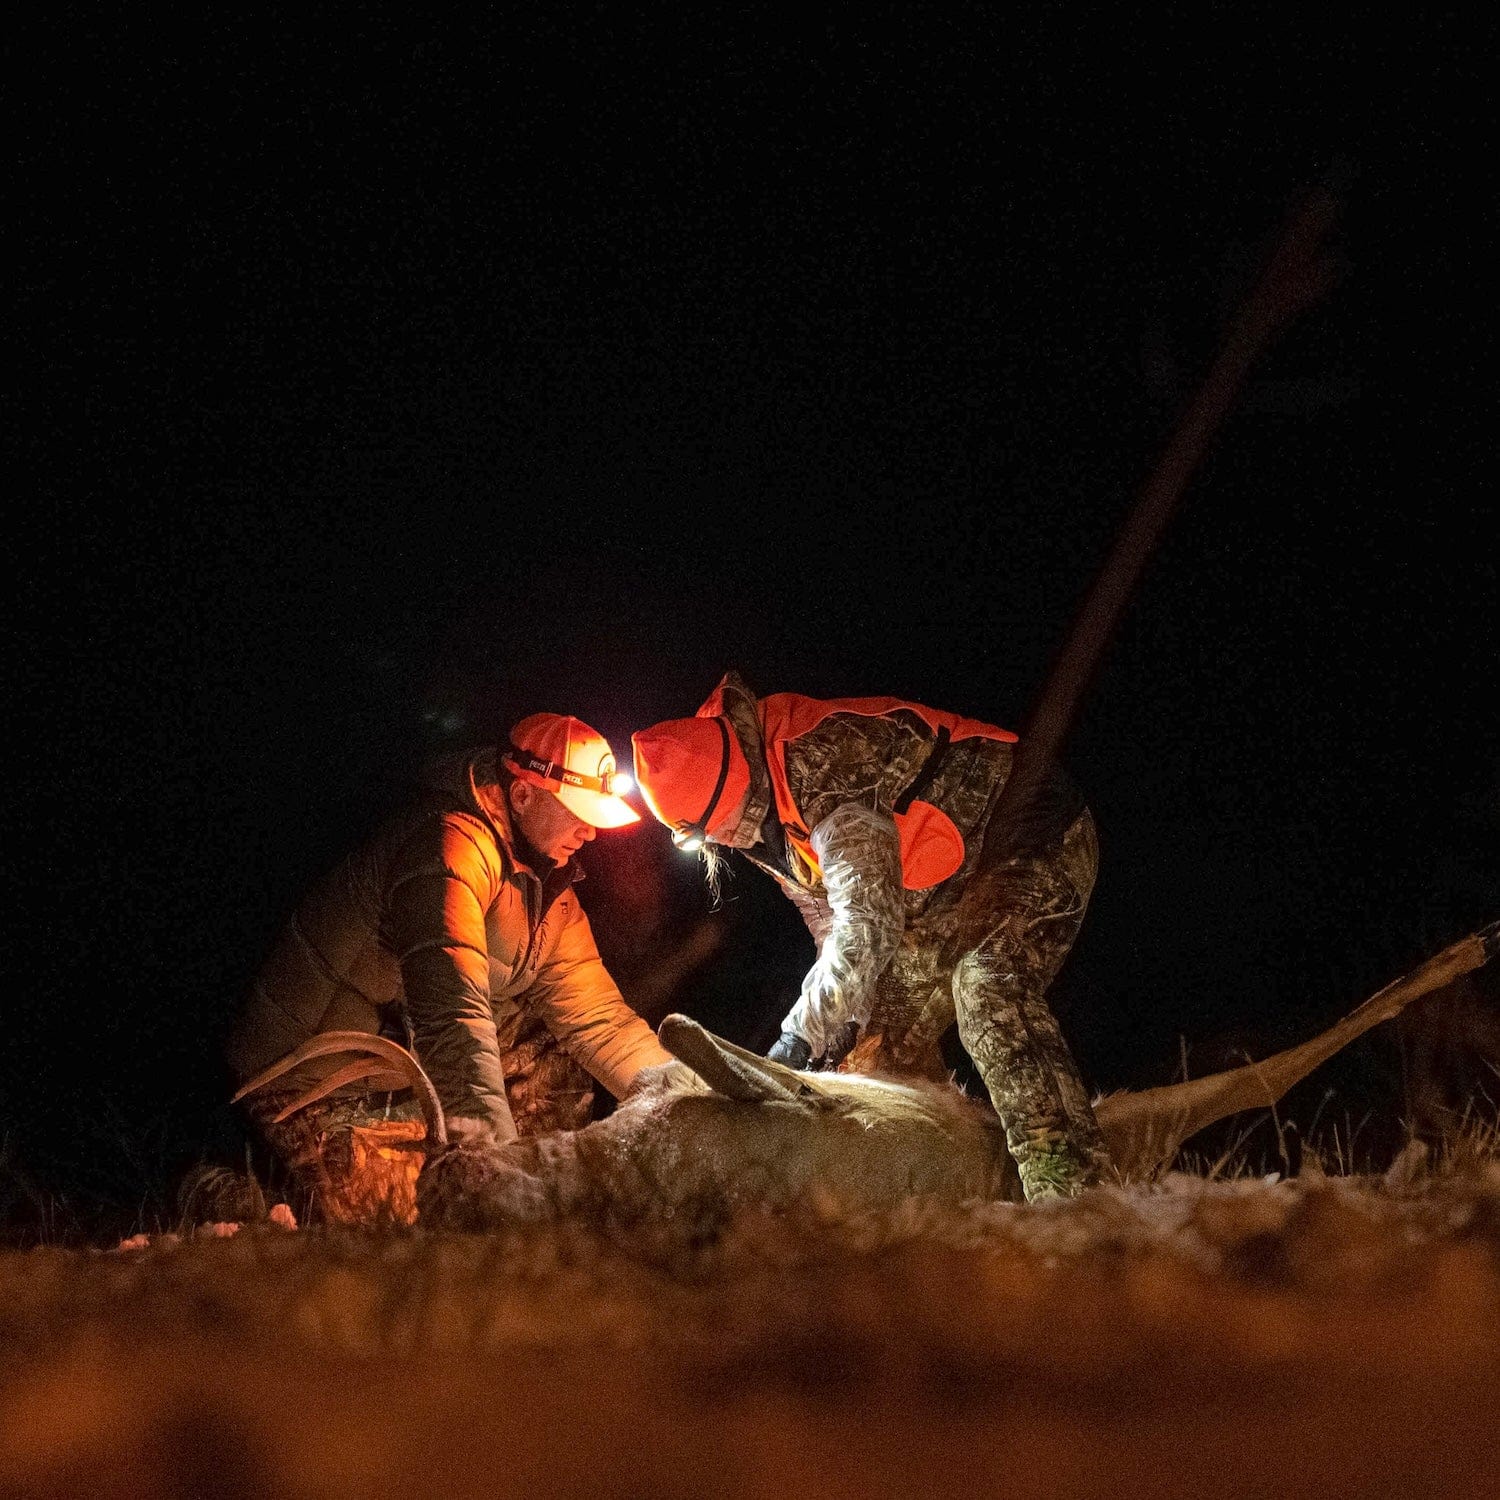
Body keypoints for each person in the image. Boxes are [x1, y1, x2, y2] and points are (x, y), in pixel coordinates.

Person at [631, 671, 1111, 1201]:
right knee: (879, 1046)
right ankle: (941, 1199)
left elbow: (869, 925)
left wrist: (795, 1040)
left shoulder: (826, 768)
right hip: (946, 887)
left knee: (987, 988)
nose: (728, 843)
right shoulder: (749, 794)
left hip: (1033, 833)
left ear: (735, 794)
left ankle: (1074, 1192)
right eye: (716, 837)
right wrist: (841, 1022)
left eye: (725, 829)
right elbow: (828, 913)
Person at [227, 712, 676, 1223]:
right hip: (312, 1084)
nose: (590, 831)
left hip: (398, 1074)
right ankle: (227, 1187)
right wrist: (495, 1167)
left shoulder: (548, 887)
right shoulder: (445, 847)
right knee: (394, 1214)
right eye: (578, 812)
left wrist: (694, 1103)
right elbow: (450, 1014)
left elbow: (602, 1021)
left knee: (556, 1055)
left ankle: (523, 1192)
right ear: (524, 795)